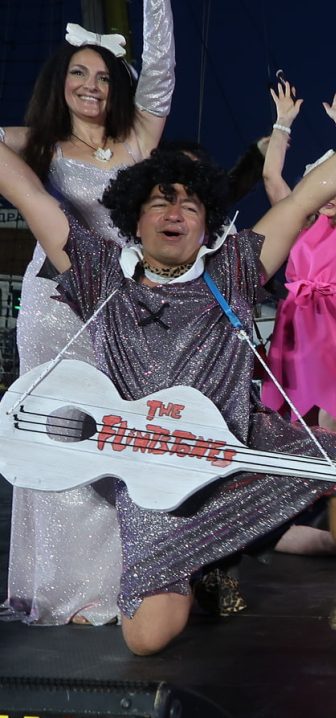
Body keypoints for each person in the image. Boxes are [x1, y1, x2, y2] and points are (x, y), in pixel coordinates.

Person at [0, 68, 336, 655]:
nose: (174, 213)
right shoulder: (101, 275)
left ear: (207, 224)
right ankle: (206, 564)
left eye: (190, 204)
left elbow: (305, 197)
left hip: (240, 454)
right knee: (147, 639)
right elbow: (27, 193)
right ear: (135, 217)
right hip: (158, 488)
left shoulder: (235, 268)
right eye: (159, 202)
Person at [0, 0, 174, 626]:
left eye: (102, 76)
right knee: (49, 437)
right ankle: (51, 587)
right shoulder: (38, 145)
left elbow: (161, 73)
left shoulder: (137, 142)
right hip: (52, 308)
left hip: (117, 310)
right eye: (78, 73)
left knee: (110, 436)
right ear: (60, 83)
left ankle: (106, 584)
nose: (90, 85)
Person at [259, 80, 336, 438]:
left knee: (334, 416)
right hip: (295, 322)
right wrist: (282, 122)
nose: (329, 195)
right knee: (290, 418)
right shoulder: (298, 224)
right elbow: (270, 176)